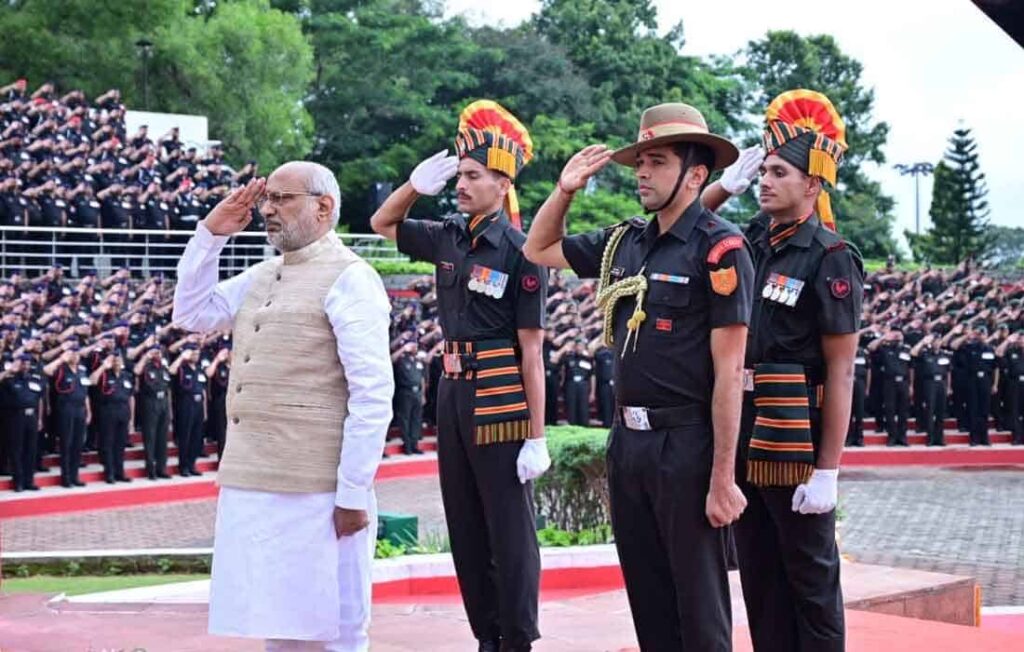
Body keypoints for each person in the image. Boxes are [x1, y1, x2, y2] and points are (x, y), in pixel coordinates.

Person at [524, 102, 752, 651]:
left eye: (657, 161)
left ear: (696, 174)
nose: (642, 173)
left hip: (687, 445)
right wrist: (565, 191)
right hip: (629, 442)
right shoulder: (625, 240)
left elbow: (729, 374)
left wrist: (723, 479)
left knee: (698, 606)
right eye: (639, 162)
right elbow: (539, 248)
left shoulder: (720, 250)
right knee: (648, 598)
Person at [173, 162, 393, 650]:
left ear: (323, 207)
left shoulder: (351, 278)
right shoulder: (263, 274)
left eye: (282, 198)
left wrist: (353, 492)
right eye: (266, 199)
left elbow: (373, 393)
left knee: (335, 629)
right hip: (253, 481)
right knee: (276, 626)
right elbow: (190, 312)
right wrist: (211, 235)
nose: (267, 209)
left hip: (318, 490)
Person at [371, 100, 551, 652]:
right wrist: (412, 185)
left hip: (500, 395)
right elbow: (383, 223)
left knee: (508, 526)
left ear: (503, 184)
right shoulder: (447, 234)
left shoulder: (524, 252)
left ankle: (517, 637)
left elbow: (532, 349)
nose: (462, 185)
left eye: (474, 176)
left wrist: (537, 436)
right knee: (465, 524)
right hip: (451, 392)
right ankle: (487, 635)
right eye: (460, 176)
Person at [703, 88, 862, 652]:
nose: (765, 180)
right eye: (763, 170)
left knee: (811, 583)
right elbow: (687, 225)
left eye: (778, 172)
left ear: (812, 185)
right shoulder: (747, 241)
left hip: (795, 437)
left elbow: (841, 369)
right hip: (744, 433)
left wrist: (829, 471)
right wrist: (726, 185)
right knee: (761, 580)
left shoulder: (830, 255)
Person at [44, 343, 90, 488]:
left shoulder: (82, 370)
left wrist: (88, 411)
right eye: (72, 353)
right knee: (66, 444)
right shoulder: (60, 369)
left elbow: (86, 392)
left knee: (78, 444)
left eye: (76, 354)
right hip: (66, 408)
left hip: (80, 409)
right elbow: (46, 370)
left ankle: (75, 475)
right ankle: (66, 477)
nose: (75, 356)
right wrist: (61, 359)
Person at [0, 353, 43, 491]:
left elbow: (39, 399)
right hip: (15, 417)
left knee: (31, 450)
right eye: (22, 363)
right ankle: (18, 481)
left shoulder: (34, 379)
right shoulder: (9, 378)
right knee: (17, 449)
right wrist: (9, 370)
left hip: (32, 416)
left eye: (28, 363)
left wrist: (40, 418)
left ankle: (29, 481)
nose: (25, 366)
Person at [90, 352, 134, 483]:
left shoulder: (126, 376)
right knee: (108, 443)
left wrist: (131, 418)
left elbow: (131, 397)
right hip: (108, 410)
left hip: (123, 410)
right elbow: (92, 381)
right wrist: (104, 366)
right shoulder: (103, 375)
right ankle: (109, 473)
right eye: (114, 361)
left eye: (119, 361)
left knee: (120, 444)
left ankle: (119, 472)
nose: (117, 363)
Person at [134, 344, 171, 479]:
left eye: (159, 352)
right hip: (150, 402)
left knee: (162, 437)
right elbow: (136, 371)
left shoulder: (163, 367)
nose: (157, 355)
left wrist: (169, 409)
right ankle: (151, 470)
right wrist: (146, 357)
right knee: (150, 437)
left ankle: (162, 468)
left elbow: (168, 388)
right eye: (154, 352)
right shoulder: (146, 366)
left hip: (163, 403)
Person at [170, 343, 206, 476]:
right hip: (185, 404)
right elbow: (171, 371)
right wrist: (181, 358)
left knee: (196, 437)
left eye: (197, 353)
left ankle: (192, 464)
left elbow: (203, 390)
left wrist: (205, 410)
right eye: (193, 353)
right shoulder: (181, 368)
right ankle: (183, 466)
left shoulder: (199, 368)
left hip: (198, 405)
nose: (196, 356)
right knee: (185, 436)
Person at [911, 334, 952, 446]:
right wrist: (923, 342)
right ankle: (930, 438)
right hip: (929, 383)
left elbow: (948, 372)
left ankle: (940, 438)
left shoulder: (945, 355)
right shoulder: (925, 353)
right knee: (930, 410)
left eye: (939, 341)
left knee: (940, 411)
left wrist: (948, 387)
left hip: (941, 383)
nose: (937, 343)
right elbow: (913, 352)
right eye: (935, 341)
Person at [391, 342, 425, 455]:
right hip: (405, 392)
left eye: (416, 345)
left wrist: (423, 394)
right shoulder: (401, 359)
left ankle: (414, 445)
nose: (415, 347)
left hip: (417, 392)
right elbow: (391, 359)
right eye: (412, 346)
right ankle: (407, 446)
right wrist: (402, 349)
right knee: (405, 419)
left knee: (416, 419)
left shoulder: (418, 361)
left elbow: (422, 379)